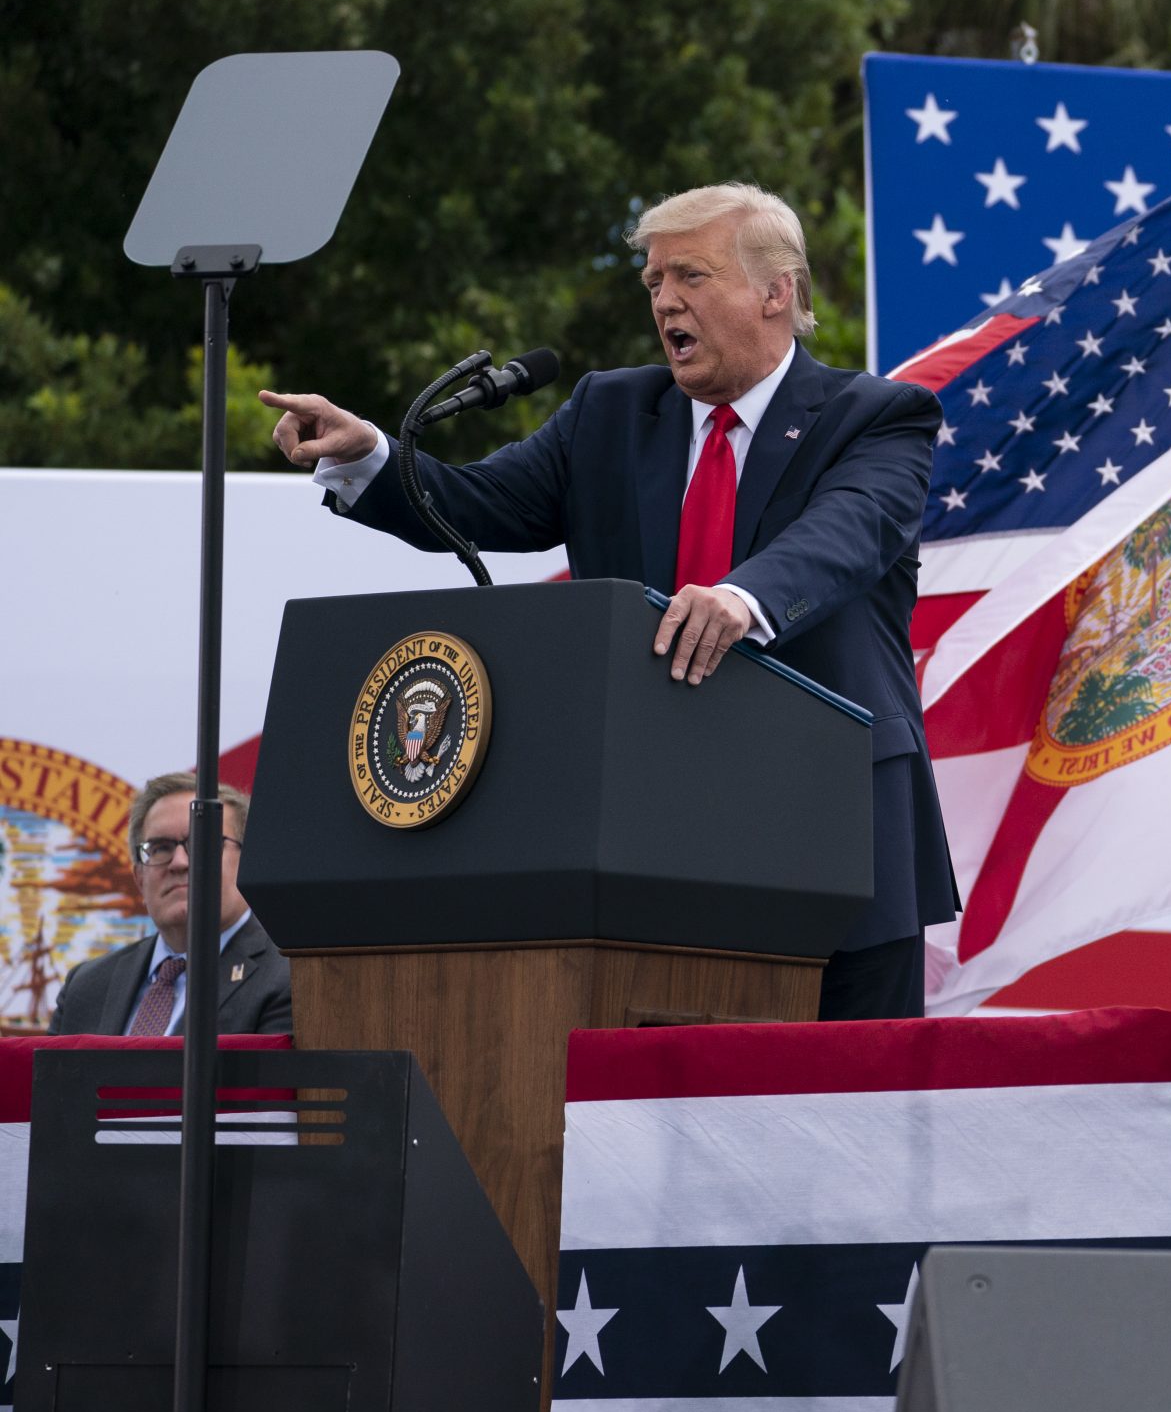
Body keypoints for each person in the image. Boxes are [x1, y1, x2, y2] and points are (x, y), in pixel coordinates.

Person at [256, 183, 956, 1018]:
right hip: (646, 837)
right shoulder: (610, 411)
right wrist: (369, 452)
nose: (664, 301)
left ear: (778, 291)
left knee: (846, 1119)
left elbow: (847, 534)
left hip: (833, 837)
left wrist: (741, 596)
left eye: (690, 276)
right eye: (654, 281)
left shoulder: (876, 416)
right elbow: (473, 505)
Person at [51, 774, 292, 1036]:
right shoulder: (86, 986)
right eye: (160, 848)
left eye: (203, 842)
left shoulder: (290, 979)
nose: (179, 862)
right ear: (139, 879)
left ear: (248, 862)